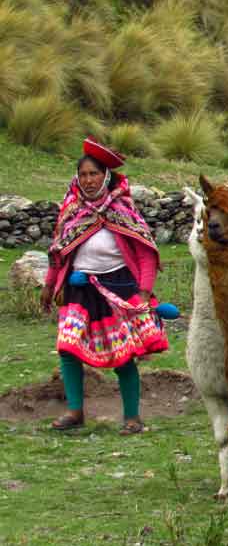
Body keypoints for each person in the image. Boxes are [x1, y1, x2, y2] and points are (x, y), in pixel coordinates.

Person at [40, 136, 169, 434]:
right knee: (67, 347)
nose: (88, 180)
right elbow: (59, 251)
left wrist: (144, 292)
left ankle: (132, 417)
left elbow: (145, 252)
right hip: (78, 288)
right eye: (83, 175)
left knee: (123, 354)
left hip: (119, 289)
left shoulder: (123, 209)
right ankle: (75, 410)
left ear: (106, 176)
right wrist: (49, 285)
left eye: (94, 174)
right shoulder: (72, 210)